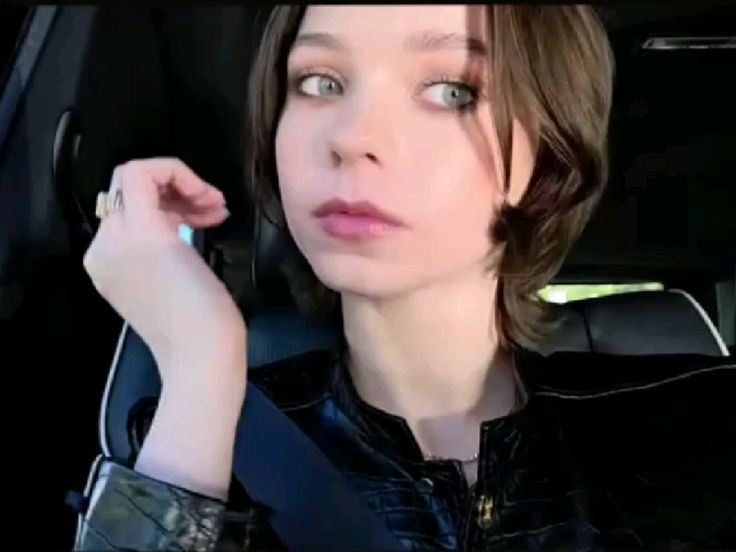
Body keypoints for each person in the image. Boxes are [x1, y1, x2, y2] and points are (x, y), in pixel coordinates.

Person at [75, 5, 736, 551]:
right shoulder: (198, 435)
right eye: (320, 82)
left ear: (545, 156)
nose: (352, 136)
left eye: (451, 91)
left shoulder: (698, 427)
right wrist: (200, 362)